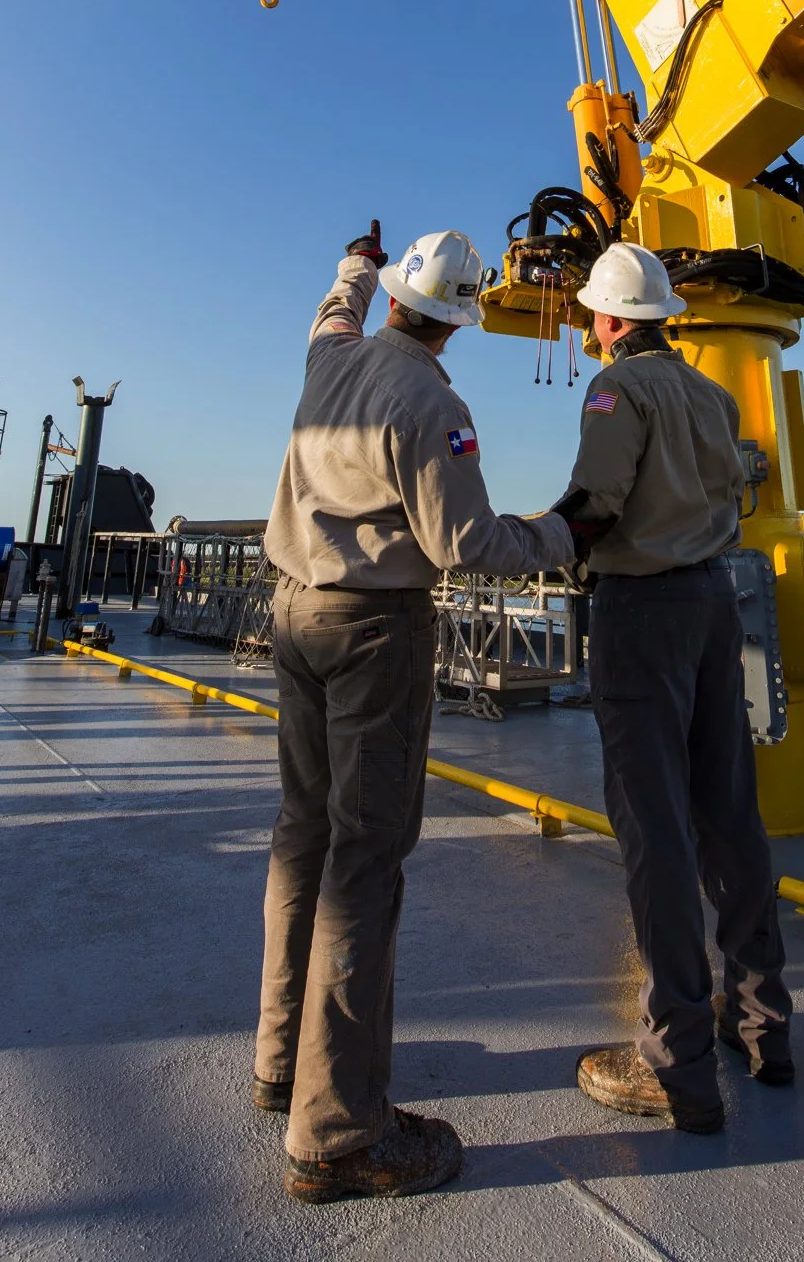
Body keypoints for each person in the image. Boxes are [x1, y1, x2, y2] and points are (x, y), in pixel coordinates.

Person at [255, 221, 575, 1204]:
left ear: (397, 294)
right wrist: (567, 527)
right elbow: (466, 542)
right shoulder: (430, 402)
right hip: (370, 632)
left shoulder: (331, 357)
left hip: (293, 613)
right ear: (463, 317)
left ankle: (281, 1061)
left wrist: (352, 260)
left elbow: (331, 307)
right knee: (366, 856)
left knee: (303, 835)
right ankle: (339, 1131)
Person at [559, 241, 793, 1135]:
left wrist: (536, 537)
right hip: (711, 604)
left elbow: (598, 500)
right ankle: (762, 1026)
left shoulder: (615, 390)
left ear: (612, 319)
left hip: (644, 615)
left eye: (592, 312)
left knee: (654, 828)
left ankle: (677, 1064)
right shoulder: (712, 392)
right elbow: (729, 493)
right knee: (729, 814)